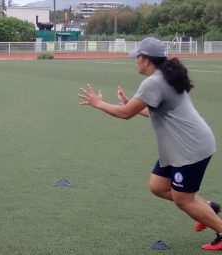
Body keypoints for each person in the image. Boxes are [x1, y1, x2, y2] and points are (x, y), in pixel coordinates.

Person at [77, 37, 222, 251]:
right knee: (158, 186)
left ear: (146, 60)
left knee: (183, 200)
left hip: (190, 148)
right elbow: (156, 111)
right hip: (181, 146)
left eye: (137, 57)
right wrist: (131, 105)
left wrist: (99, 103)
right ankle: (209, 208)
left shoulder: (154, 81)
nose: (135, 61)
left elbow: (125, 115)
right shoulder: (165, 76)